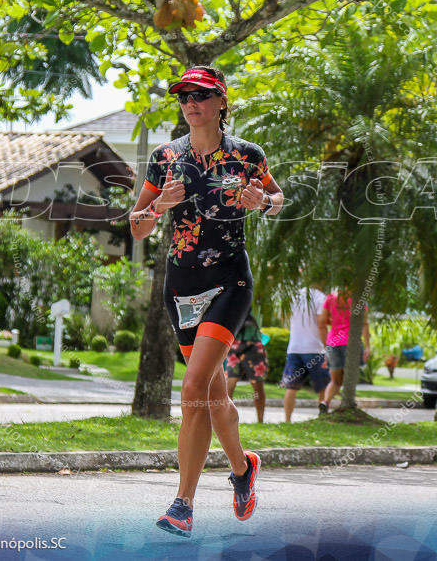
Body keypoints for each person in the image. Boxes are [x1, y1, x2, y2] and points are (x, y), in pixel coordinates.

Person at [128, 65, 283, 538]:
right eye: (183, 96)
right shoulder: (164, 158)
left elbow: (279, 200)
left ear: (220, 102)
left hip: (229, 283)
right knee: (213, 394)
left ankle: (183, 503)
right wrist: (158, 207)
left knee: (194, 389)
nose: (190, 102)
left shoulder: (246, 156)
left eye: (200, 94)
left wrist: (263, 203)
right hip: (181, 286)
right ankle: (242, 468)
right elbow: (136, 225)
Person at [281, 285, 331, 422]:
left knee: (291, 387)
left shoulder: (294, 295)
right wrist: (327, 347)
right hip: (315, 349)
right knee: (323, 387)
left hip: (294, 348)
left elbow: (285, 317)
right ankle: (322, 418)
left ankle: (287, 420)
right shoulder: (320, 297)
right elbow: (322, 324)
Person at [318, 289, 370, 413]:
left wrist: (326, 347)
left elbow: (322, 323)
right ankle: (348, 404)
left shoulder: (330, 298)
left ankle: (325, 402)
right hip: (351, 343)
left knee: (335, 381)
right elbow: (364, 324)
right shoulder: (359, 298)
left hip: (333, 343)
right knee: (349, 377)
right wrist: (368, 346)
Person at [225, 309, 269, 423]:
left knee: (257, 384)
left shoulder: (256, 297)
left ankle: (260, 420)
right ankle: (226, 419)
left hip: (254, 345)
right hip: (234, 344)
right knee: (231, 381)